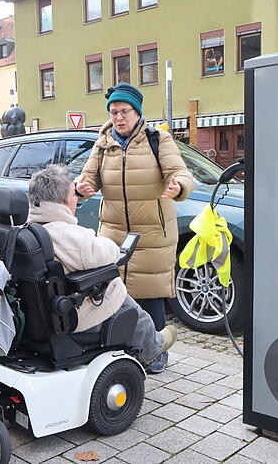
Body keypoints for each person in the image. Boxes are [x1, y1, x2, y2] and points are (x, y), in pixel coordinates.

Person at [76, 82, 195, 373]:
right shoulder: (103, 142)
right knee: (111, 291)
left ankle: (155, 350)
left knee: (150, 293)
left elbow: (179, 171)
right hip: (113, 231)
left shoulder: (158, 139)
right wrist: (80, 189)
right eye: (113, 111)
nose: (118, 117)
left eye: (124, 111)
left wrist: (178, 186)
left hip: (151, 232)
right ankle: (119, 346)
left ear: (137, 112)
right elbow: (88, 178)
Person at [28, 165, 177, 365]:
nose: (76, 199)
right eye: (74, 194)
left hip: (40, 316)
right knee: (122, 298)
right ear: (62, 200)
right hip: (76, 315)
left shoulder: (27, 231)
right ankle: (153, 348)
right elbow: (111, 254)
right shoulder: (71, 237)